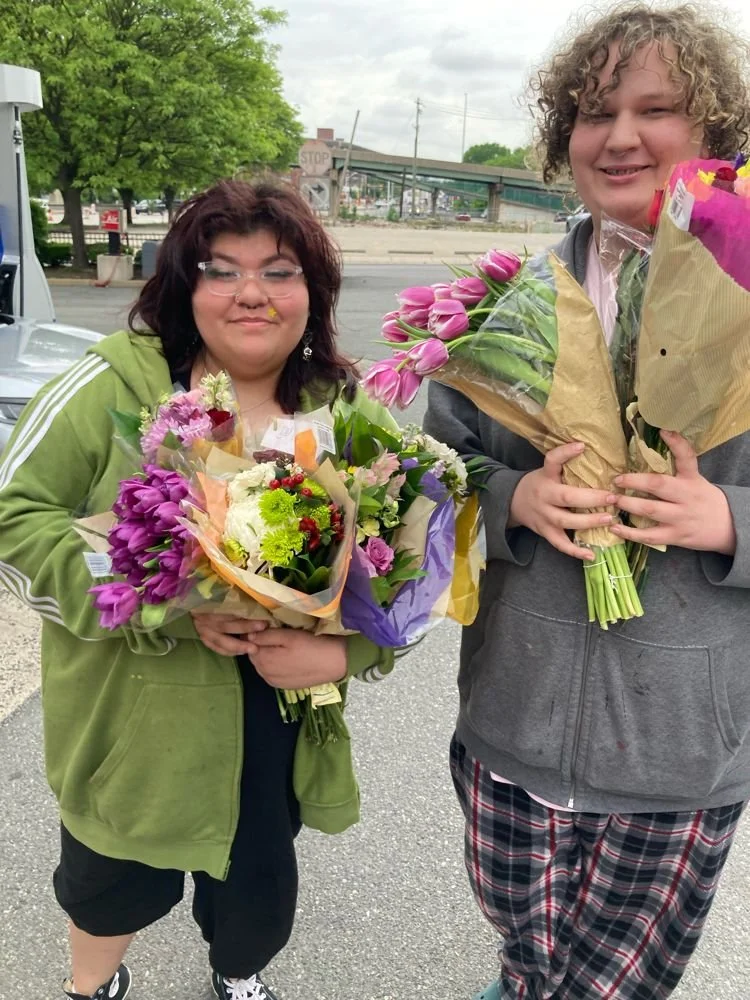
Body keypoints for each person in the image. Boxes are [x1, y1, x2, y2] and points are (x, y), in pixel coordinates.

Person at [423, 4, 750, 998]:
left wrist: (729, 521)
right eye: (594, 111)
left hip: (681, 748)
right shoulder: (505, 296)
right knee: (530, 963)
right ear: (563, 135)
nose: (620, 136)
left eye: (656, 109)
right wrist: (516, 497)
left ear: (714, 136)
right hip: (511, 727)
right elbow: (436, 475)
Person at [0, 180, 395, 1000]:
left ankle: (237, 970)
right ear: (187, 286)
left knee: (254, 881)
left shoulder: (341, 406)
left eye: (280, 271)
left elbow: (404, 562)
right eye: (222, 270)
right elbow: (13, 519)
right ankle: (92, 985)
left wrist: (340, 650)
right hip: (132, 720)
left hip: (276, 715)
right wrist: (168, 603)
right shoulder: (114, 385)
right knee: (111, 882)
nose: (252, 292)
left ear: (311, 294)